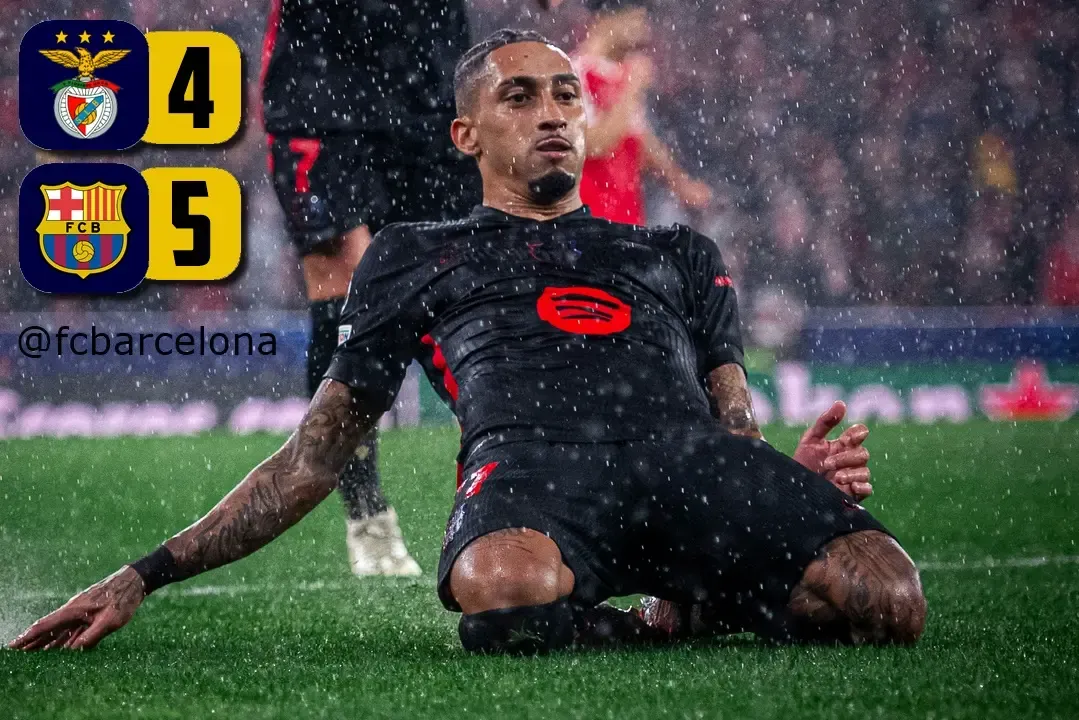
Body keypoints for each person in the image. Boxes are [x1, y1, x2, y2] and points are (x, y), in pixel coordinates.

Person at [10, 30, 923, 654]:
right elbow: (316, 454)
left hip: (687, 466)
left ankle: (678, 602)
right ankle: (665, 617)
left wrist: (776, 476)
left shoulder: (677, 251)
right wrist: (144, 576)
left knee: (889, 598)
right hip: (532, 477)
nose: (553, 113)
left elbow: (734, 424)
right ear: (465, 134)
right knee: (501, 589)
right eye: (519, 97)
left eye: (564, 95)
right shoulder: (416, 254)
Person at [261, 0, 559, 576]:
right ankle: (367, 513)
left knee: (458, 277)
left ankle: (507, 483)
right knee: (346, 282)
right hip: (322, 86)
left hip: (427, 82)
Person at [574, 0, 713, 225]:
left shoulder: (619, 74)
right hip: (590, 224)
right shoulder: (575, 74)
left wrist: (680, 183)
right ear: (606, 19)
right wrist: (631, 88)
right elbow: (593, 145)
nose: (643, 31)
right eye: (635, 20)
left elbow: (638, 139)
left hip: (627, 222)